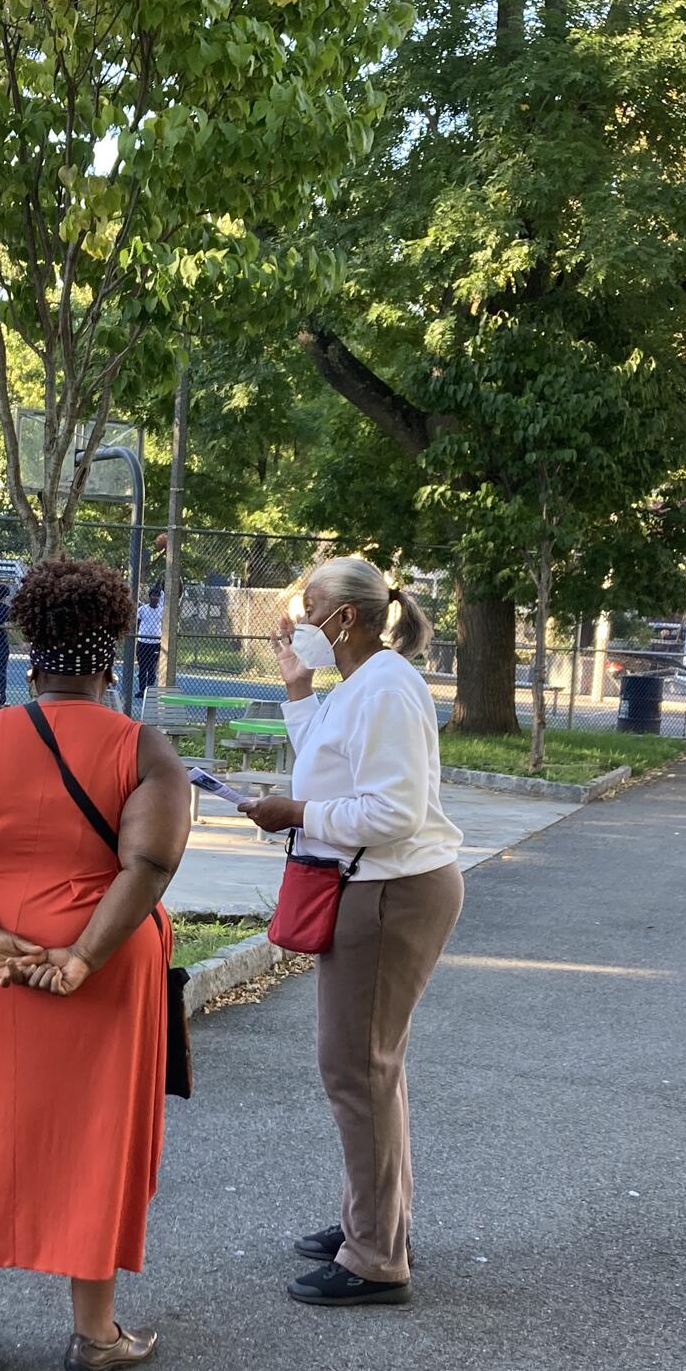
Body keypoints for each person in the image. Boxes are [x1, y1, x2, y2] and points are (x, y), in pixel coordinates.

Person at [0, 559, 192, 1371]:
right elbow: (149, 863)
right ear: (111, 665)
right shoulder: (145, 748)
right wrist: (81, 956)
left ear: (33, 659)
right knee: (95, 1131)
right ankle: (95, 1334)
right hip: (102, 959)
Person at [238, 557, 462, 1307]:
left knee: (356, 1068)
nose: (300, 623)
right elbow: (327, 768)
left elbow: (392, 812)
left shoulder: (388, 687)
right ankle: (377, 1222)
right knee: (370, 1068)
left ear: (349, 618)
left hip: (389, 890)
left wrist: (295, 815)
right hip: (374, 886)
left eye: (310, 609)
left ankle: (376, 1256)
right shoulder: (363, 683)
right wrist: (298, 691)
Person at [134, 586, 164, 698]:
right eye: (153, 595)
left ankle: (150, 691)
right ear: (149, 597)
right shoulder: (143, 609)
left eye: (157, 596)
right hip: (143, 642)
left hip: (155, 643)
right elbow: (137, 623)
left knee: (152, 669)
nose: (155, 598)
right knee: (142, 668)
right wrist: (139, 635)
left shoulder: (161, 610)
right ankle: (141, 690)